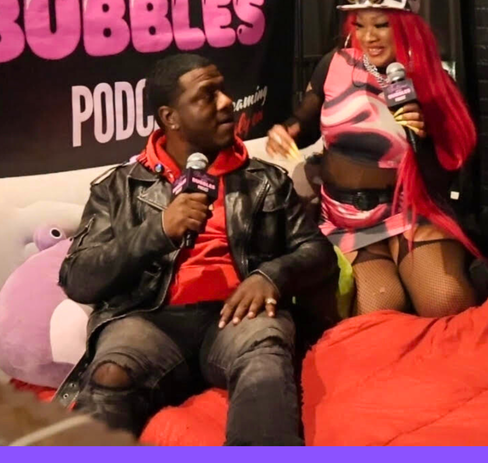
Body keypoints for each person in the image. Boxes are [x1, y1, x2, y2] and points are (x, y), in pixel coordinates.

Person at [54, 54, 336, 445]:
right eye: (207, 96)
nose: (226, 102)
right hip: (149, 320)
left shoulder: (265, 181)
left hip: (236, 317)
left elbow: (318, 252)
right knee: (110, 372)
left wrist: (271, 276)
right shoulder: (118, 188)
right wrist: (158, 231)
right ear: (170, 117)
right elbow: (78, 278)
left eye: (223, 90)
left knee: (264, 351)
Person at [267, 0, 488, 317]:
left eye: (381, 25)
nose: (368, 36)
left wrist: (422, 138)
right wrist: (288, 129)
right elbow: (306, 121)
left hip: (410, 210)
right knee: (380, 308)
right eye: (360, 25)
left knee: (446, 300)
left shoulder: (432, 80)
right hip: (345, 217)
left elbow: (442, 178)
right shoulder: (335, 64)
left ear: (406, 26)